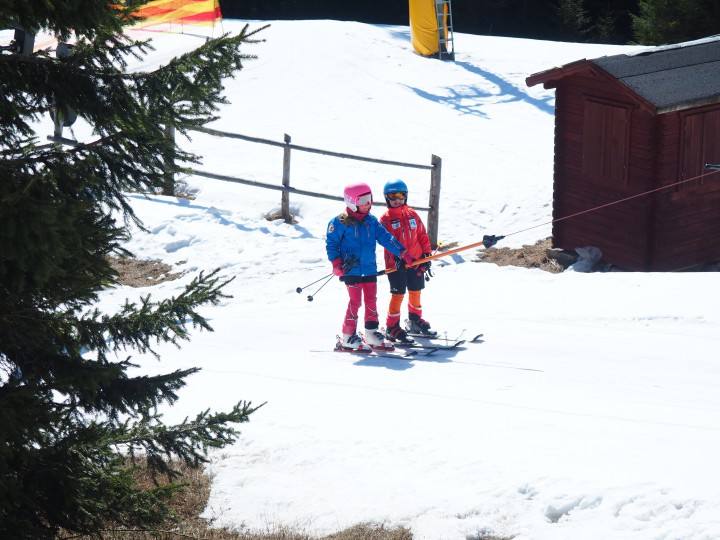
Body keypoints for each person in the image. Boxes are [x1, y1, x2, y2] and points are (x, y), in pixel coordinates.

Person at [326, 182, 414, 350]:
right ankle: (348, 336)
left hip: (369, 269)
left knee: (371, 301)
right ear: (351, 201)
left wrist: (402, 252)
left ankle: (371, 333)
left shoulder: (371, 221)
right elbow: (332, 244)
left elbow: (386, 238)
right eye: (363, 200)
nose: (368, 203)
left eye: (369, 198)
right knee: (355, 301)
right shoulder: (339, 222)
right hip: (351, 269)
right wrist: (336, 263)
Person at [379, 179, 437, 342]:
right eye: (393, 196)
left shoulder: (412, 214)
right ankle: (392, 327)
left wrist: (426, 255)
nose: (397, 199)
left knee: (415, 291)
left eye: (401, 195)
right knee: (398, 294)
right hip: (397, 265)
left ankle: (414, 320)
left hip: (416, 261)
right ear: (386, 198)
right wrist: (396, 258)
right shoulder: (385, 219)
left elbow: (422, 235)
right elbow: (386, 242)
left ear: (406, 196)